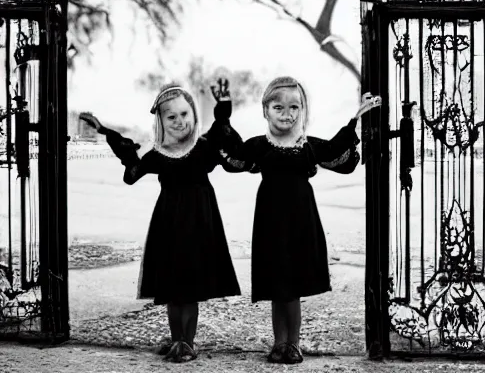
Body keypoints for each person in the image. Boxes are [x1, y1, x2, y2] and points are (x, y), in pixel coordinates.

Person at [216, 76, 381, 364]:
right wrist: (223, 116)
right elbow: (236, 153)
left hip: (301, 219)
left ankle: (293, 344)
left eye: (294, 107)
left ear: (302, 110)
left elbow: (335, 150)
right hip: (269, 220)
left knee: (291, 287)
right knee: (277, 286)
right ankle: (279, 344)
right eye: (278, 107)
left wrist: (356, 119)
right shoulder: (260, 146)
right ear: (265, 110)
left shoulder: (308, 146)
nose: (287, 113)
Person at [79, 80, 241, 363]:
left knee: (191, 287)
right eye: (171, 116)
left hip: (201, 222)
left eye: (184, 114)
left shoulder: (203, 149)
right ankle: (177, 340)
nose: (179, 121)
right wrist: (108, 133)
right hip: (169, 223)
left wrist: (223, 108)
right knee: (174, 287)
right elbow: (132, 173)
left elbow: (220, 133)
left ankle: (187, 342)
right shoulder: (159, 154)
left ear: (192, 114)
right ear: (161, 121)